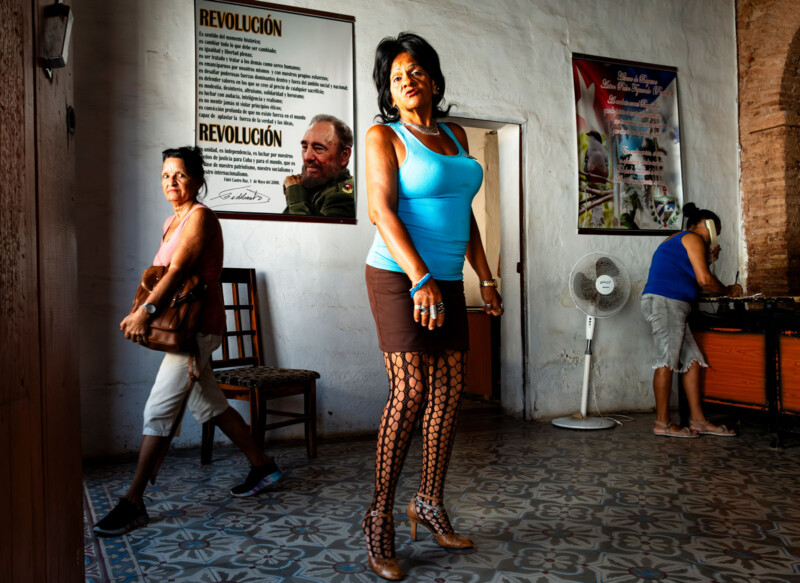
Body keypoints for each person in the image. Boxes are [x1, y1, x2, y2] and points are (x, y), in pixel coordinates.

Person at [363, 33, 503, 580]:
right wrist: (419, 277)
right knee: (412, 391)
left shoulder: (455, 134)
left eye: (416, 70)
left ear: (434, 80)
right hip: (399, 275)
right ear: (390, 93)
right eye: (397, 76)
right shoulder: (385, 136)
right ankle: (378, 517)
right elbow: (381, 211)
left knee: (447, 396)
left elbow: (462, 212)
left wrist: (484, 277)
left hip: (443, 279)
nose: (407, 79)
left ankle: (428, 502)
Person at [93, 147, 282, 537]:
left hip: (198, 331)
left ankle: (133, 503)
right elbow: (159, 274)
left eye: (179, 175)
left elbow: (178, 272)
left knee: (157, 410)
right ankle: (263, 464)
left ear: (197, 180)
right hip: (184, 329)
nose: (171, 182)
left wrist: (144, 312)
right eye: (165, 175)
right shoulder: (171, 221)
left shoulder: (201, 217)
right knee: (208, 401)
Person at [641, 202, 742, 439]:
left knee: (692, 361)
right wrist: (729, 291)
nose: (715, 238)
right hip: (666, 302)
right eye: (715, 231)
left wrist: (708, 259)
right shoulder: (692, 238)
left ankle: (697, 420)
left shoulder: (681, 241)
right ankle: (662, 423)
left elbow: (695, 276)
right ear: (706, 227)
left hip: (672, 304)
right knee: (667, 360)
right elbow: (705, 280)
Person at [282, 114, 355, 218]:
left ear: (344, 155)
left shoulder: (341, 196)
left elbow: (304, 231)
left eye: (319, 148)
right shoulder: (318, 186)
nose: (307, 157)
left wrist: (295, 196)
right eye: (305, 147)